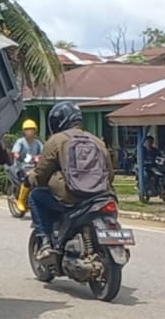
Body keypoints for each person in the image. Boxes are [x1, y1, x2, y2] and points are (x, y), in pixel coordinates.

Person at [30, 102, 115, 265]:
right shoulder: (97, 141)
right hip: (101, 196)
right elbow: (109, 174)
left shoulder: (56, 140)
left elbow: (41, 174)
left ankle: (46, 242)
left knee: (36, 196)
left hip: (71, 197)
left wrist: (31, 179)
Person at [9, 119, 43, 214]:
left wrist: (38, 157)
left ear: (35, 130)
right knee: (26, 179)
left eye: (31, 129)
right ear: (24, 131)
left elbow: (44, 153)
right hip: (21, 167)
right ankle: (20, 200)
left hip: (34, 168)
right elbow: (15, 152)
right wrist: (18, 156)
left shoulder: (37, 143)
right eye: (27, 129)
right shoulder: (20, 142)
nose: (29, 131)